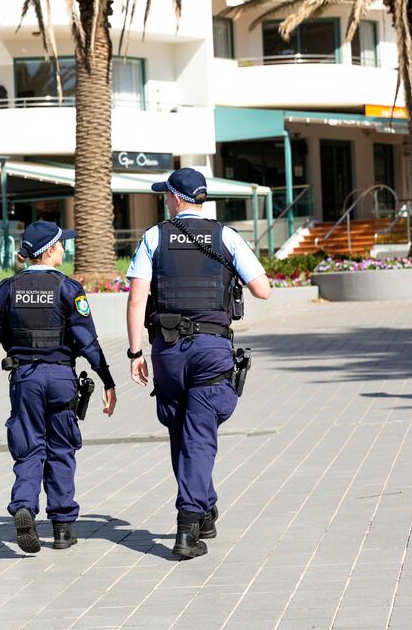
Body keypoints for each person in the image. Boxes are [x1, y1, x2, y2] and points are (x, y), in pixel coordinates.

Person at [124, 168, 271, 559]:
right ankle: (188, 526)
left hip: (169, 351)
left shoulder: (154, 236)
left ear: (174, 198)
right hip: (211, 349)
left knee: (183, 431)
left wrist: (135, 353)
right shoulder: (227, 236)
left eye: (166, 196)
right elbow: (263, 290)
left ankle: (203, 508)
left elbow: (137, 300)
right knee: (199, 434)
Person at [0, 220, 118, 553]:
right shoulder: (68, 288)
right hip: (60, 379)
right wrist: (107, 380)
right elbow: (88, 342)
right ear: (51, 250)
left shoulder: (7, 289)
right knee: (61, 448)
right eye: (62, 244)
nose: (65, 249)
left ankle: (25, 505)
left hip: (24, 379)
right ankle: (62, 528)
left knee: (28, 447)